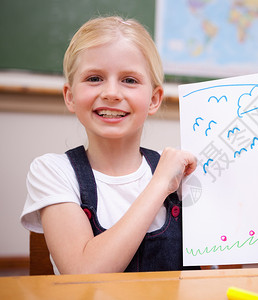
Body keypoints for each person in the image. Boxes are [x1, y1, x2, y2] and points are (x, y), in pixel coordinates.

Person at [20, 16, 197, 274]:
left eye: (129, 80)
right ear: (70, 96)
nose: (111, 93)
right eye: (94, 78)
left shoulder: (183, 174)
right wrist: (161, 184)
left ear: (154, 99)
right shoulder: (52, 172)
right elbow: (85, 273)